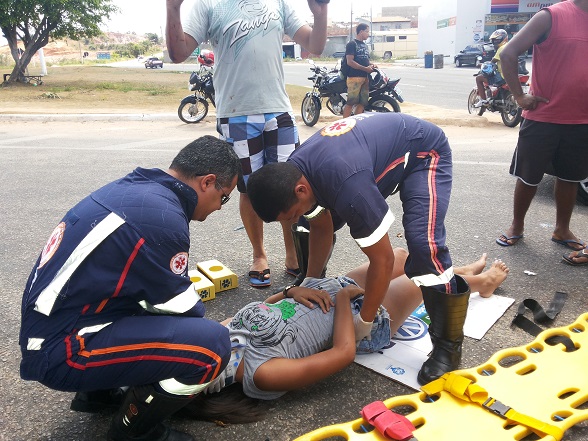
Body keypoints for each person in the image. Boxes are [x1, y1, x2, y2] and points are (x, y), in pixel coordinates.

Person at [18, 136, 242, 441]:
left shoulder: (137, 188)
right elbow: (183, 310)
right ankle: (135, 433)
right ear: (208, 182)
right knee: (212, 346)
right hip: (60, 351)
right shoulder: (163, 219)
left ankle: (96, 394)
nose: (219, 207)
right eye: (224, 197)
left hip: (51, 330)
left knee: (140, 296)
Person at [246, 112, 468, 386]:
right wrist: (312, 282)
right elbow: (321, 223)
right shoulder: (295, 175)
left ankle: (448, 346)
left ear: (301, 190)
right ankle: (315, 275)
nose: (291, 219)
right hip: (364, 158)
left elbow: (383, 260)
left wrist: (364, 320)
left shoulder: (346, 185)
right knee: (305, 224)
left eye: (289, 213)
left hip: (424, 153)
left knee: (425, 247)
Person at [180, 250, 509, 422]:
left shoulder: (222, 337)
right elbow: (342, 354)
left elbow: (259, 309)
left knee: (398, 258)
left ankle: (463, 273)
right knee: (425, 279)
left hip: (330, 293)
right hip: (361, 320)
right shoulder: (262, 374)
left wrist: (289, 291)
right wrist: (341, 302)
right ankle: (481, 282)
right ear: (212, 377)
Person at [165, 0, 328, 288]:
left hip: (278, 110)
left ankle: (292, 254)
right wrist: (173, 7)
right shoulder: (209, 4)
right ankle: (259, 255)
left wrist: (320, 12)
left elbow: (315, 45)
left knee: (290, 186)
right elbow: (178, 53)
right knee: (249, 189)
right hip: (236, 112)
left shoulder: (278, 2)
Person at [495, 0, 588, 265]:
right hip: (544, 117)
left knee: (571, 176)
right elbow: (509, 53)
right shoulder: (551, 16)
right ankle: (517, 226)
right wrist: (519, 96)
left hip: (582, 121)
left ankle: (561, 229)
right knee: (528, 175)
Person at [342, 23, 375, 118]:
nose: (368, 34)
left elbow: (364, 60)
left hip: (365, 77)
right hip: (354, 78)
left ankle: (356, 123)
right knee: (351, 102)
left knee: (363, 102)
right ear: (361, 32)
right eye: (367, 32)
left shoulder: (364, 45)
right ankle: (345, 125)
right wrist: (365, 68)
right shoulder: (352, 44)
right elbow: (350, 61)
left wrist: (371, 65)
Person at [473, 29, 509, 108]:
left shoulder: (501, 48)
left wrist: (481, 65)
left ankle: (483, 100)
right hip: (512, 75)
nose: (495, 42)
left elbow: (492, 62)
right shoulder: (511, 46)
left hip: (503, 77)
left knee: (479, 78)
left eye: (497, 40)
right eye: (494, 40)